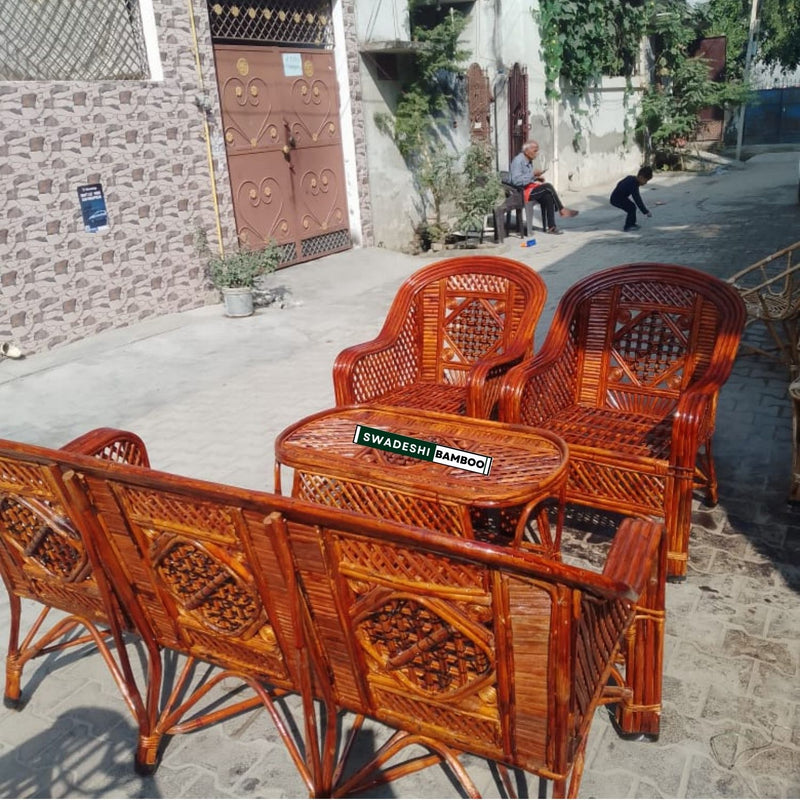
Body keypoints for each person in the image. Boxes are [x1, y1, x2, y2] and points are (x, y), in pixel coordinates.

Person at [509, 140, 579, 235]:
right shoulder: (518, 161)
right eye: (535, 151)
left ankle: (552, 227)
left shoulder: (528, 160)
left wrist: (536, 178)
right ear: (526, 151)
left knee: (548, 195)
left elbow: (526, 178)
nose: (536, 153)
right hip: (520, 192)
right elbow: (516, 181)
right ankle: (562, 210)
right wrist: (533, 174)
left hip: (528, 188)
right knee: (548, 187)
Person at [610, 166, 653, 231]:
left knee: (632, 207)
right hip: (616, 199)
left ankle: (632, 224)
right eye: (645, 180)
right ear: (641, 177)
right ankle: (628, 226)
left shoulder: (631, 178)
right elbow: (637, 199)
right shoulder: (633, 184)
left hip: (618, 197)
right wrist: (646, 211)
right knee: (631, 208)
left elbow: (619, 183)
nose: (645, 183)